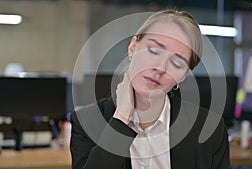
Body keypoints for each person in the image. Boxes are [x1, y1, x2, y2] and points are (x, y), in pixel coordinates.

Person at [70, 9, 230, 169]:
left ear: (183, 76)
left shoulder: (209, 129)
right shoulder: (86, 122)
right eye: (153, 51)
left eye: (176, 63)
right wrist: (121, 118)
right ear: (132, 47)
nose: (160, 67)